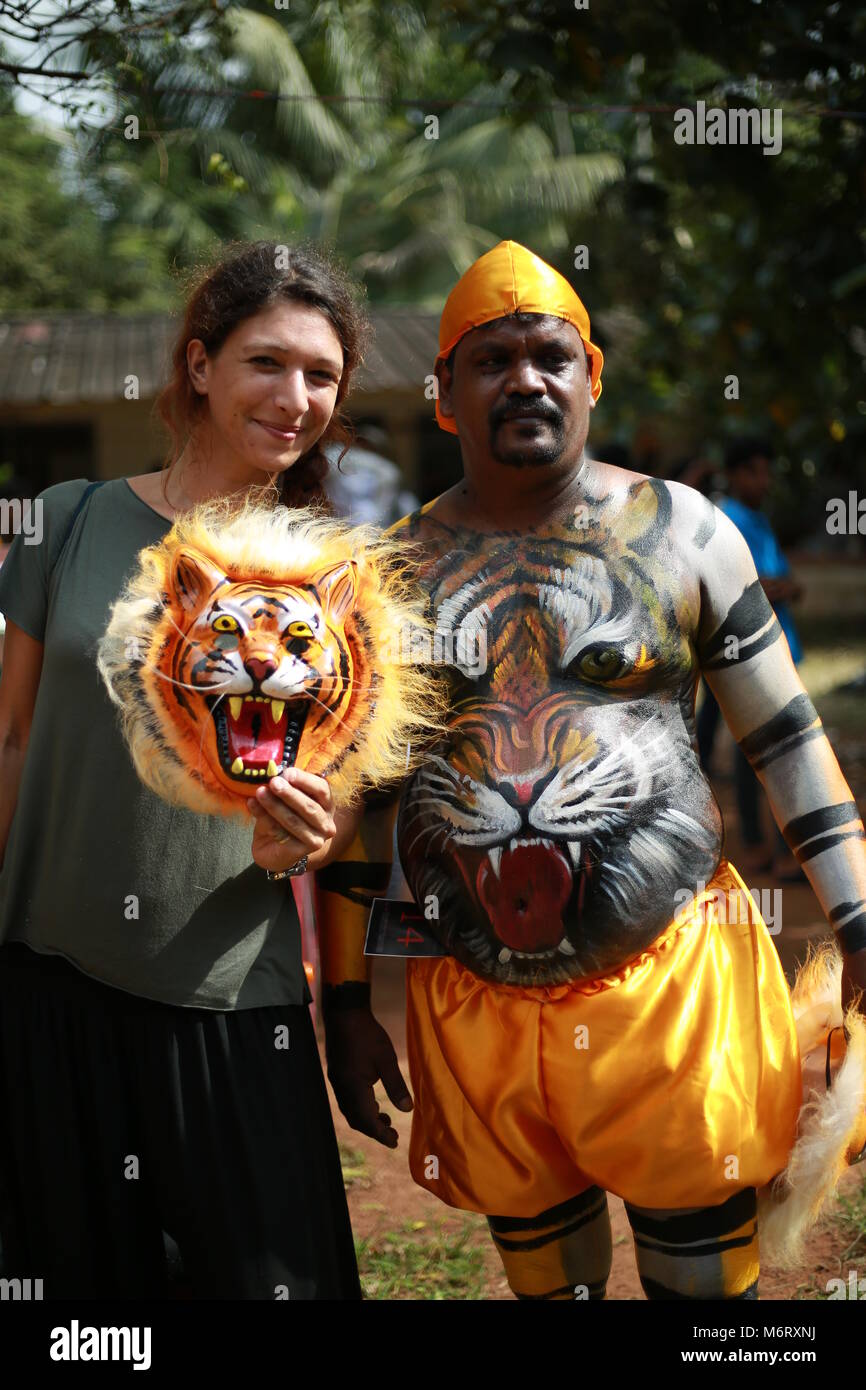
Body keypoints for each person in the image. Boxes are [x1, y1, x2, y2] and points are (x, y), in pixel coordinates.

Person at [314, 240, 866, 1300]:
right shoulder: (382, 575)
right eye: (490, 360)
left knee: (702, 1293)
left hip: (674, 993)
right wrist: (344, 999)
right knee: (547, 1291)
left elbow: (785, 740)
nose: (524, 378)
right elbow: (365, 806)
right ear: (443, 395)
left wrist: (853, 917)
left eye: (548, 356)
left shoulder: (685, 533)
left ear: (589, 377)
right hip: (470, 995)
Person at [0, 240, 371, 1300]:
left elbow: (340, 790)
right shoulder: (67, 524)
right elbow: (12, 737)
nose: (294, 396)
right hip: (45, 976)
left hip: (226, 986)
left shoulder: (336, 577)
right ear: (199, 366)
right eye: (267, 361)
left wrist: (314, 830)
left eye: (320, 375)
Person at [698, 438, 806, 877]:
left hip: (778, 652)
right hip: (746, 657)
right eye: (754, 472)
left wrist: (780, 585)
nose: (763, 481)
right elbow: (752, 584)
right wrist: (778, 585)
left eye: (766, 472)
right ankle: (781, 854)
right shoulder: (724, 519)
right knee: (783, 755)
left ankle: (766, 848)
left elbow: (781, 581)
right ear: (736, 474)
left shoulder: (758, 519)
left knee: (757, 756)